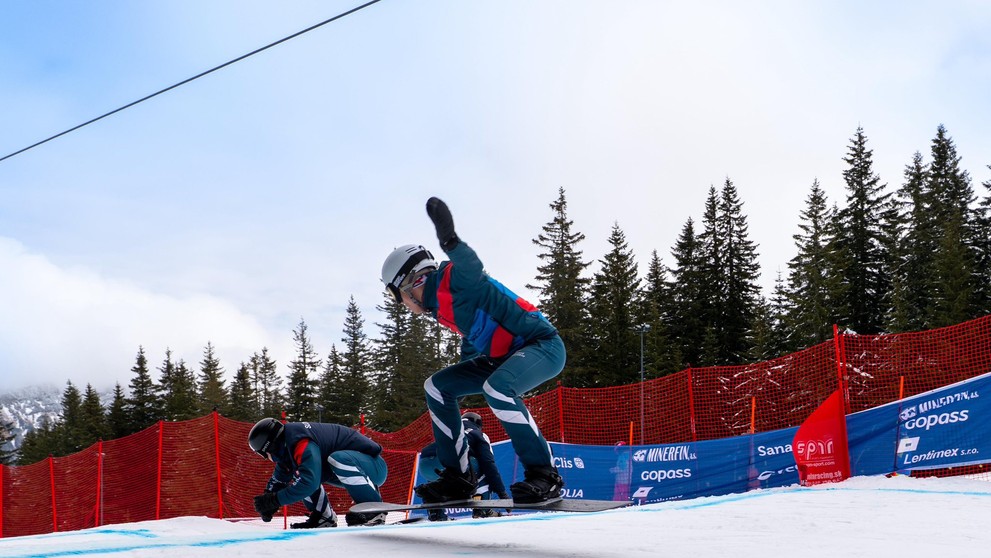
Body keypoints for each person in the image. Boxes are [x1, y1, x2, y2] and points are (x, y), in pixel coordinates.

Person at [380, 196, 567, 505]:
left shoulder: (454, 279)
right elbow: (473, 335)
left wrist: (450, 240)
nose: (403, 305)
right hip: (500, 358)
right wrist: (463, 372)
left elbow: (471, 266)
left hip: (542, 346)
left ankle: (544, 474)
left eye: (400, 296)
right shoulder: (441, 307)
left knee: (498, 389)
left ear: (413, 282)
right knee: (437, 388)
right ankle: (459, 476)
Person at [248, 418, 389, 527]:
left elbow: (309, 484)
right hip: (358, 465)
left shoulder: (301, 443)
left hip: (374, 467)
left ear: (270, 447)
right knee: (304, 472)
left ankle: (373, 509)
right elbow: (280, 479)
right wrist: (269, 500)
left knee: (325, 466)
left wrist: (274, 500)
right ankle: (323, 516)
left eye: (263, 454)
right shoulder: (288, 448)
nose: (265, 458)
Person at [418, 411, 509, 520]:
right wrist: (501, 492)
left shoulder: (452, 429)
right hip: (451, 461)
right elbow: (488, 463)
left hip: (425, 463)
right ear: (478, 424)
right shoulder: (478, 433)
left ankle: (436, 513)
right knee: (483, 471)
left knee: (438, 483)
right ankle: (482, 508)